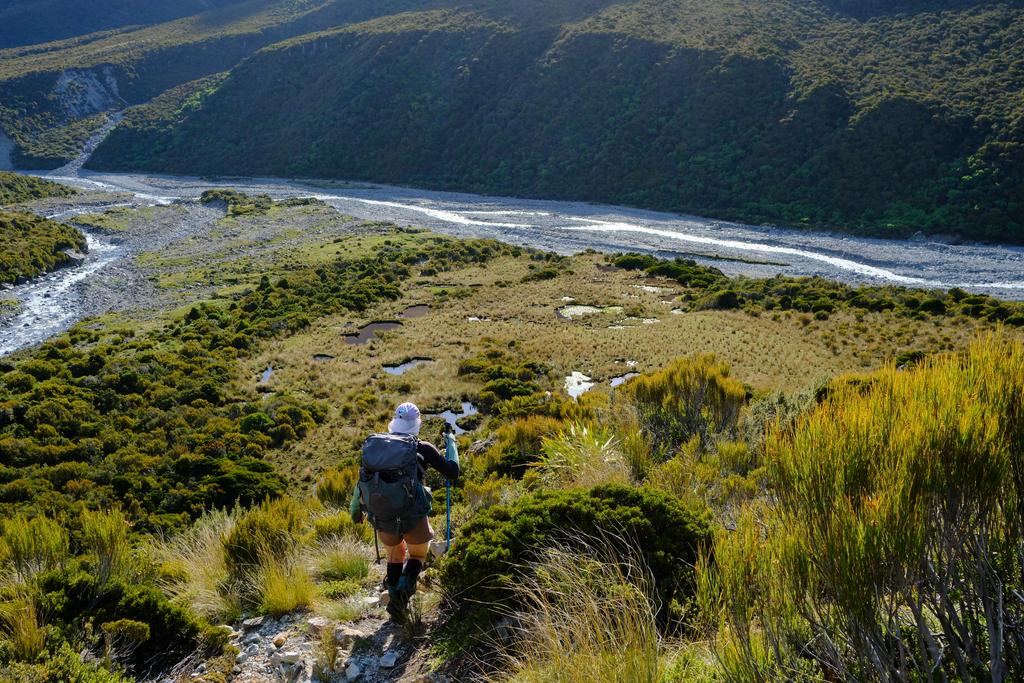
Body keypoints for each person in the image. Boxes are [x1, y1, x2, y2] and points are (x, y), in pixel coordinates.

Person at [350, 402, 460, 620]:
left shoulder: (377, 446)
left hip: (383, 515)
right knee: (418, 554)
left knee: (395, 555)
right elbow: (452, 472)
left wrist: (355, 507)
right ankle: (400, 601)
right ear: (417, 422)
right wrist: (451, 442)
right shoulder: (422, 447)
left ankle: (393, 596)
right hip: (412, 515)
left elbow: (362, 479)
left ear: (394, 421)